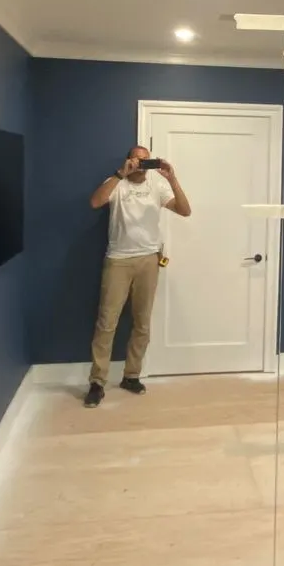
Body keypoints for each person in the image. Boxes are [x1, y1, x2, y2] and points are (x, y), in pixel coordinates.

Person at [83, 143, 191, 405]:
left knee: (142, 323)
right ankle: (97, 382)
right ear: (128, 161)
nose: (141, 165)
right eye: (137, 160)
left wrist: (172, 178)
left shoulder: (157, 186)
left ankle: (131, 375)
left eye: (146, 160)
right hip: (118, 260)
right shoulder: (116, 182)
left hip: (149, 260)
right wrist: (121, 174)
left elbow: (185, 210)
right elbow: (95, 202)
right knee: (107, 322)